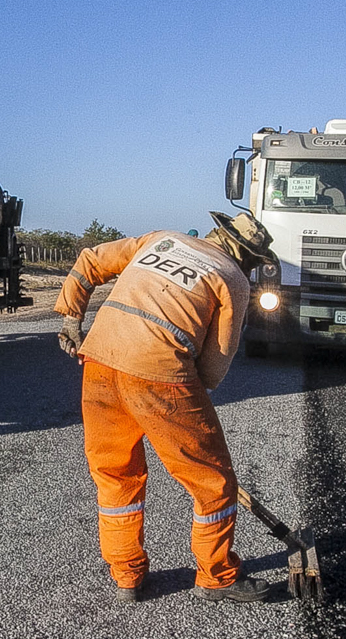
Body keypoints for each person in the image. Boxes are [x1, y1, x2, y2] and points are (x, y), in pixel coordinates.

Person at [56, 211, 277, 604]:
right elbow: (213, 368)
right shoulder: (233, 278)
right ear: (246, 255)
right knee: (213, 482)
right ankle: (217, 576)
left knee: (116, 474)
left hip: (100, 362)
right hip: (160, 376)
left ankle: (126, 576)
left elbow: (89, 260)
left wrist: (72, 319)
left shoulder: (161, 239)